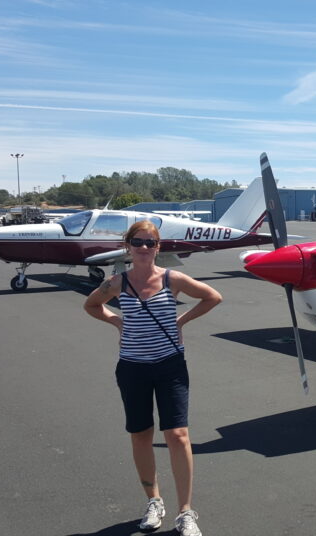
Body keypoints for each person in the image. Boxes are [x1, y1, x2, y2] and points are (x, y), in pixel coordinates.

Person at [84, 220, 222, 536]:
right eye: (138, 242)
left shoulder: (172, 279)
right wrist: (117, 322)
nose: (144, 248)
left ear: (158, 247)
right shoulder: (117, 282)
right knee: (141, 434)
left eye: (150, 242)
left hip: (170, 365)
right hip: (132, 367)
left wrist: (181, 321)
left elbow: (213, 296)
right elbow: (91, 305)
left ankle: (186, 513)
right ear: (128, 246)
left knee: (177, 435)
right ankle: (154, 501)